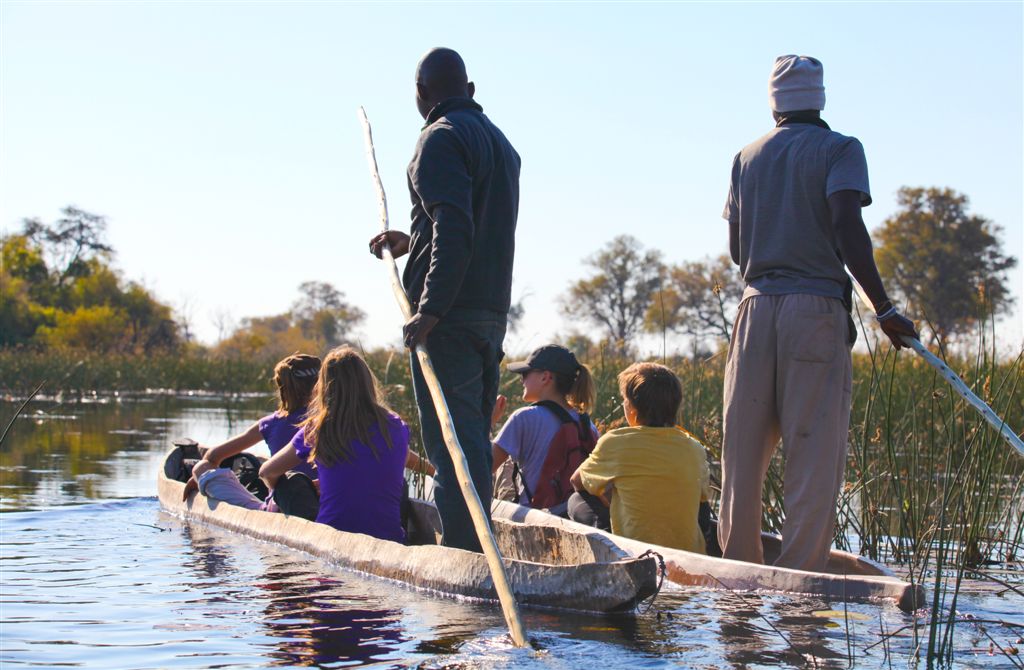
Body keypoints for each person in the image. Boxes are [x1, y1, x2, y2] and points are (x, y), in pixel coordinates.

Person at [719, 55, 919, 571]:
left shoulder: (746, 157)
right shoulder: (840, 150)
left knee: (742, 456)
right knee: (811, 455)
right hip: (815, 311)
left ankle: (737, 580)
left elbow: (739, 250)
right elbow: (846, 227)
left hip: (755, 308)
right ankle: (803, 585)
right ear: (820, 98)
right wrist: (885, 307)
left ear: (773, 102)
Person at [369, 47, 521, 552]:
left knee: (452, 445)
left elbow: (457, 227)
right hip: (489, 312)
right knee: (473, 440)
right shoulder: (500, 144)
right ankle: (481, 545)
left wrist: (429, 310)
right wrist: (409, 242)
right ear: (471, 91)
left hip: (449, 318)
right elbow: (462, 224)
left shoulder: (437, 140)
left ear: (421, 96)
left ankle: (465, 559)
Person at [261, 346, 410, 543]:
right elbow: (371, 467)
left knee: (288, 482)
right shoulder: (397, 425)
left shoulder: (318, 429)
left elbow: (266, 472)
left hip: (330, 539)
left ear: (324, 386)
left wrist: (278, 492)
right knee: (402, 485)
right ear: (367, 382)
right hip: (391, 540)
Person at [569, 363, 710, 554]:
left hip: (638, 553)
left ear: (632, 409)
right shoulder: (695, 448)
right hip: (690, 554)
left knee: (575, 501)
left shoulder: (616, 442)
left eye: (624, 400)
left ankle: (611, 553)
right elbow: (702, 503)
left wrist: (609, 495)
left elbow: (576, 481)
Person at [182, 353, 321, 499]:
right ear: (320, 386)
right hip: (323, 501)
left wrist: (200, 479)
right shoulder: (330, 423)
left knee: (202, 467)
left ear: (282, 389)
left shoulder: (270, 424)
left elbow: (212, 456)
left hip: (280, 506)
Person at [491, 344, 598, 516]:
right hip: (575, 516)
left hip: (536, 517)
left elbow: (483, 467)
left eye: (525, 373)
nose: (521, 380)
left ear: (545, 377)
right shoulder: (588, 425)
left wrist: (488, 423)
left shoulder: (524, 417)